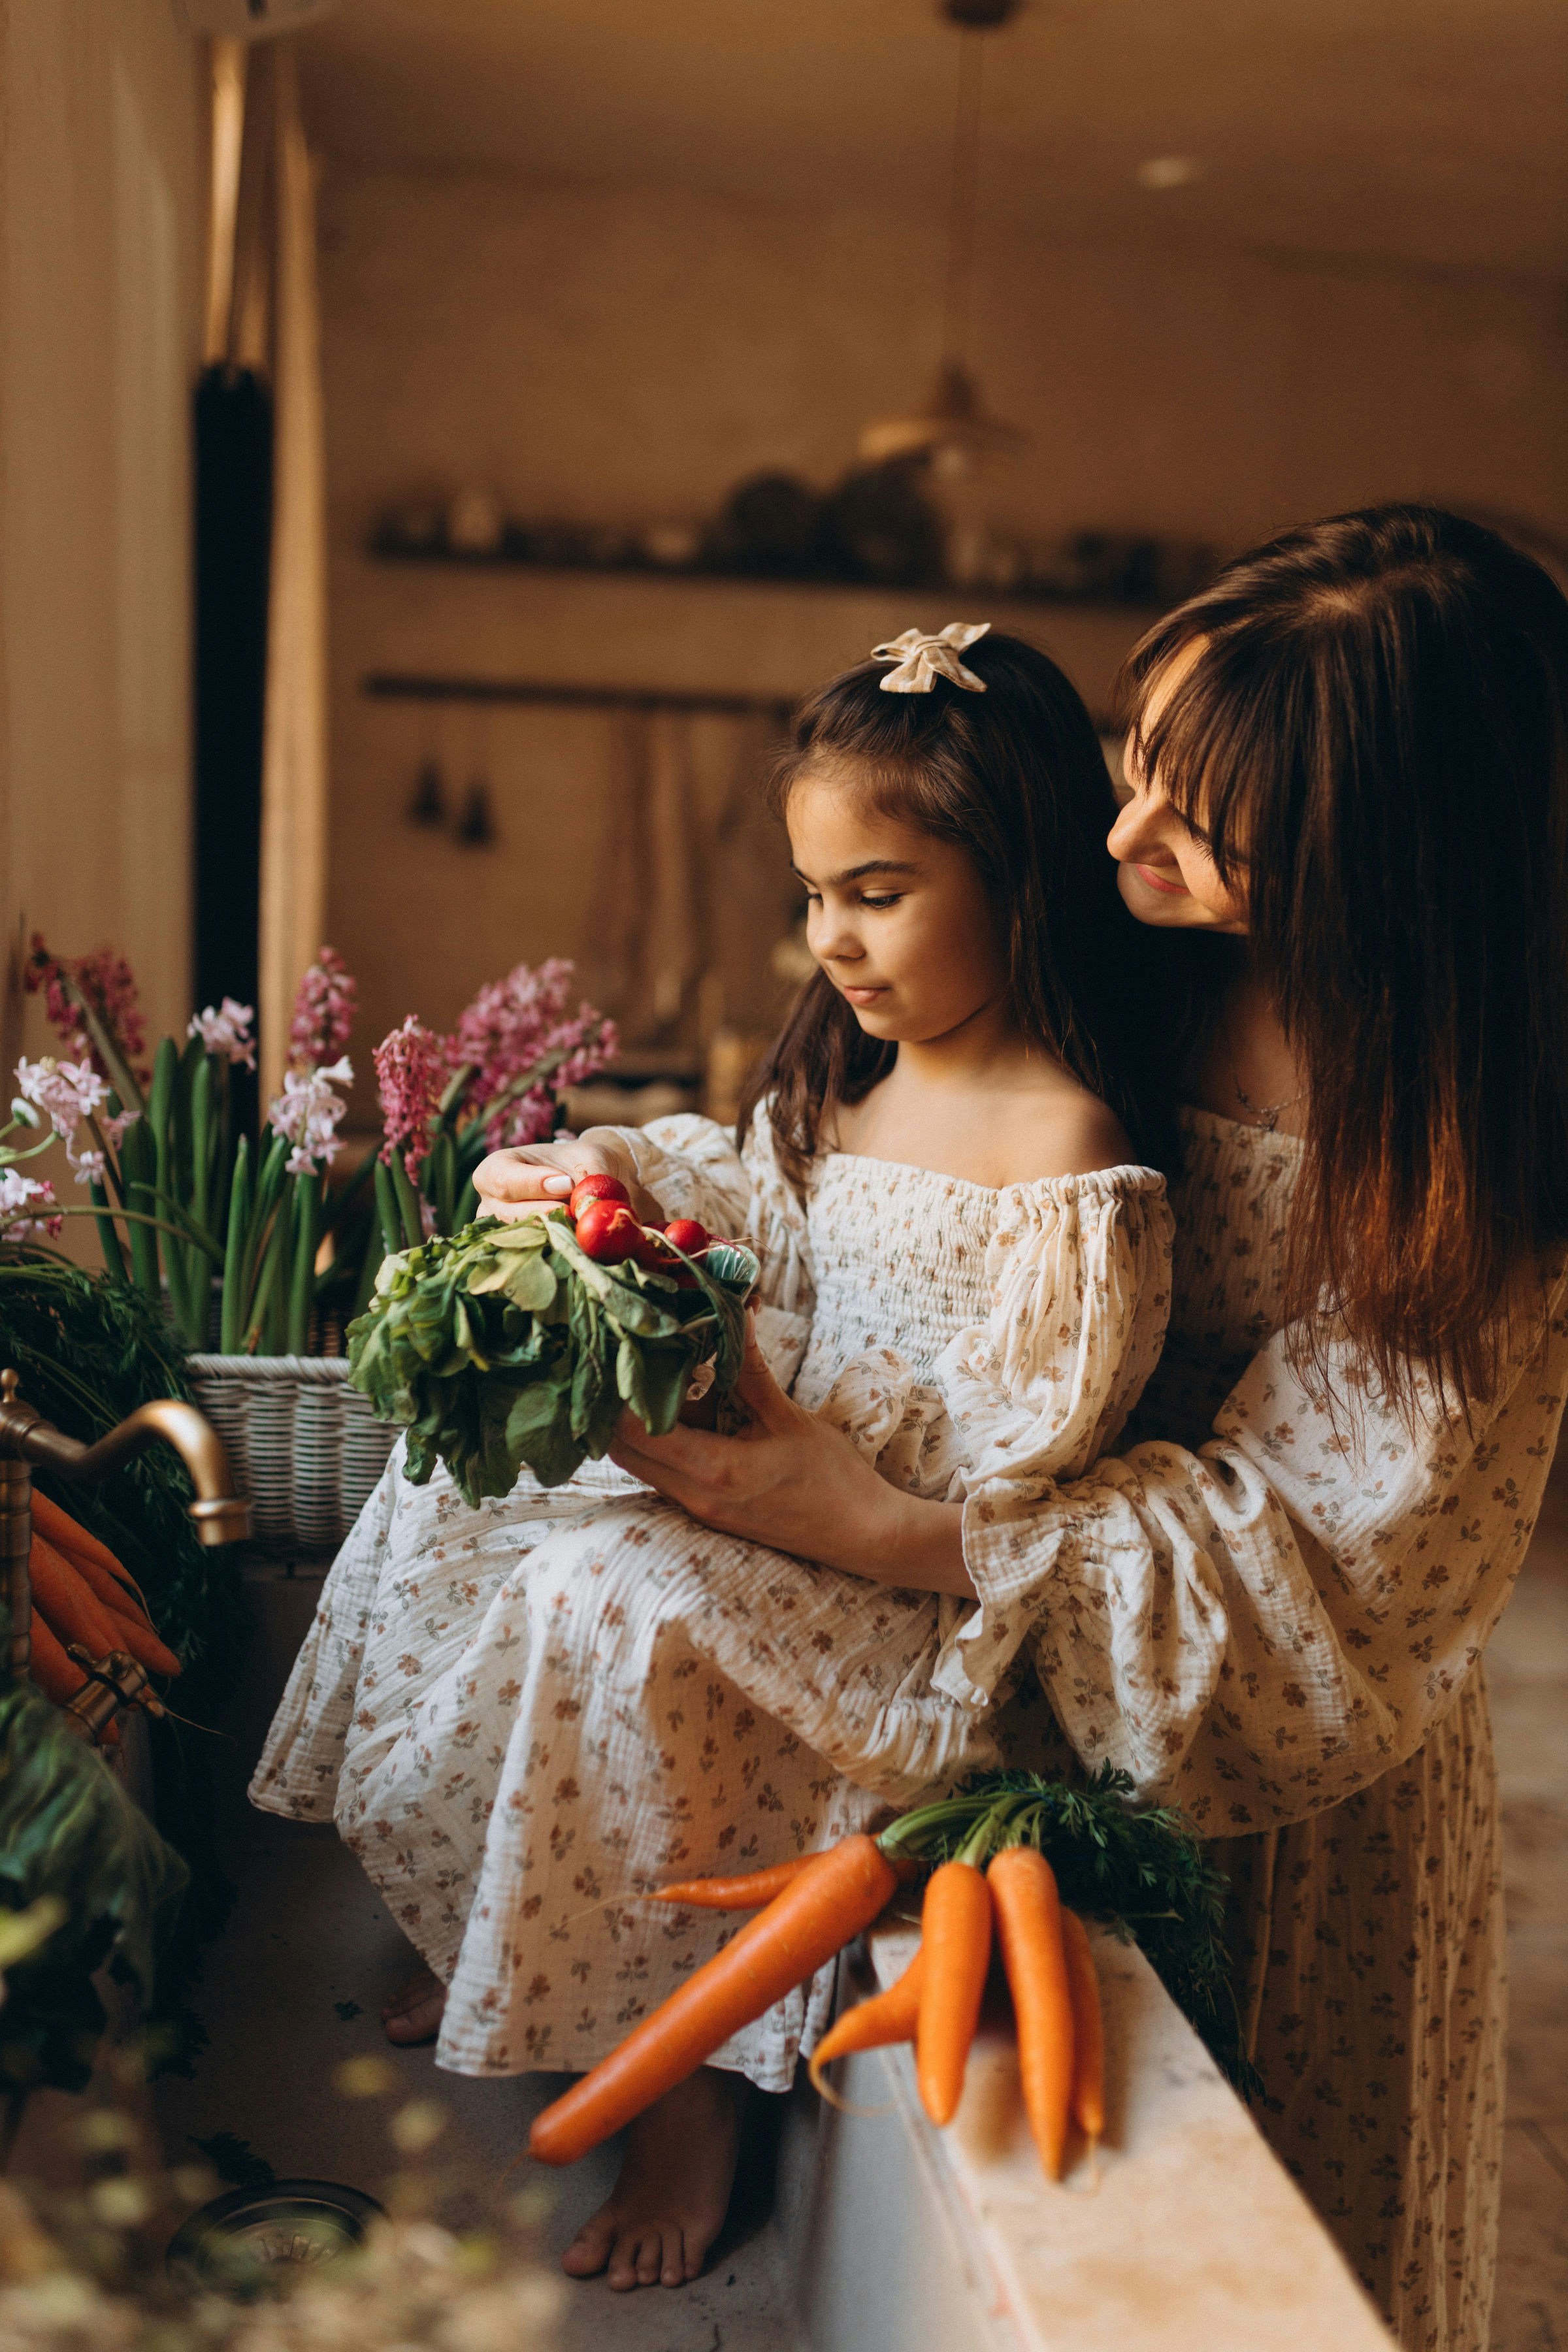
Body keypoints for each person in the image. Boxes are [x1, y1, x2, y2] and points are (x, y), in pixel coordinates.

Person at [554, 508, 1568, 2352]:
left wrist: (873, 1525)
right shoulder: (1110, 950)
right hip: (993, 1659)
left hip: (1281, 1782)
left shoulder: (1463, 1167)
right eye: (1132, 772)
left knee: (1232, 2272)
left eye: (1200, 825)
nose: (1118, 844)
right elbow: (858, 1150)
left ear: (1386, 863)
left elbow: (1325, 1567)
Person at [252, 623, 1179, 2292]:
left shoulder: (1069, 1157)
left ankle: (694, 2088)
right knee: (463, 1478)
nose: (832, 937)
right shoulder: (849, 1088)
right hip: (772, 1491)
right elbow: (738, 1205)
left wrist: (808, 1469)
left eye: (879, 892)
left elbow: (1006, 1468)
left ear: (1025, 874)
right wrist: (590, 1170)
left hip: (889, 1585)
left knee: (610, 1589)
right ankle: (491, 1922)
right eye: (814, 893)